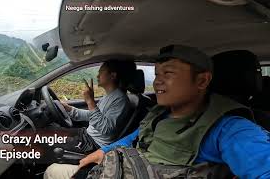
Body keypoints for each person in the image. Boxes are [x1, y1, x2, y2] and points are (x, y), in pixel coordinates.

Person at [44, 45, 270, 179]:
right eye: (157, 73)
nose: (158, 82)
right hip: (122, 167)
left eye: (168, 73)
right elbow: (137, 137)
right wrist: (104, 151)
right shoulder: (161, 112)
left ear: (202, 81)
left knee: (52, 170)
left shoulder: (230, 128)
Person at [46, 60, 135, 155]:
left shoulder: (121, 100)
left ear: (113, 75)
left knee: (46, 141)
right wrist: (69, 109)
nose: (97, 76)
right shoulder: (109, 96)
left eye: (101, 72)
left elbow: (106, 130)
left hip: (94, 144)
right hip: (87, 135)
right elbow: (91, 115)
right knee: (51, 131)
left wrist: (90, 101)